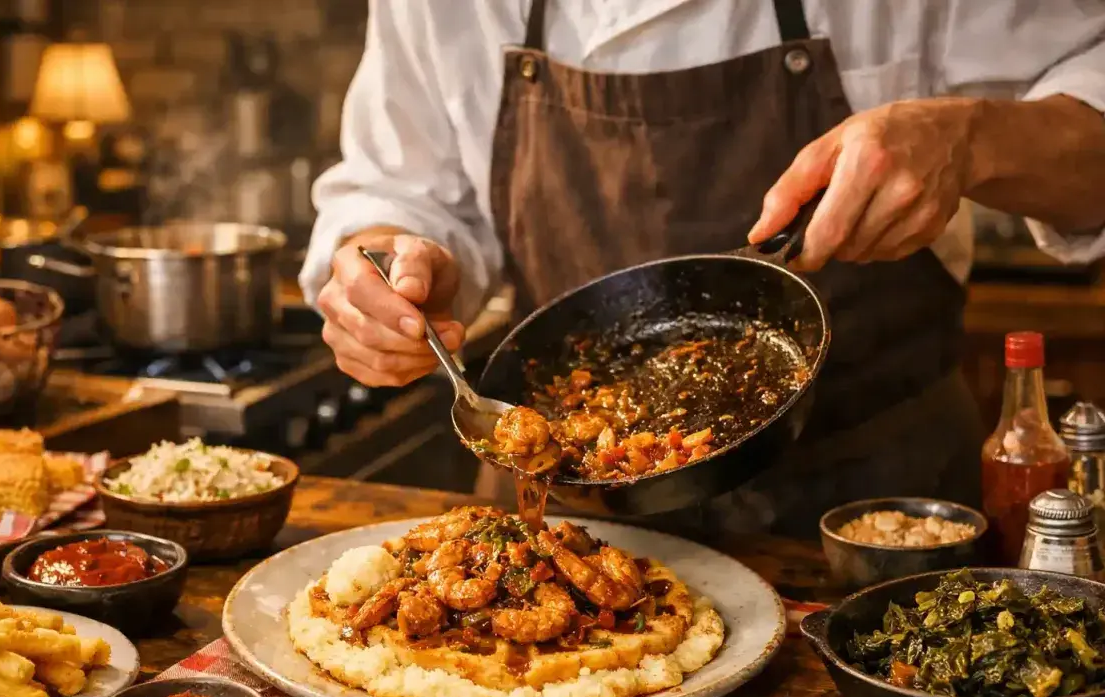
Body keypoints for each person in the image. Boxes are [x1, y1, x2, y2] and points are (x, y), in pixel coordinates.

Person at [300, 1, 1105, 536]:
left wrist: (971, 137)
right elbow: (401, 186)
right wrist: (390, 262)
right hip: (568, 515)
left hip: (881, 521)